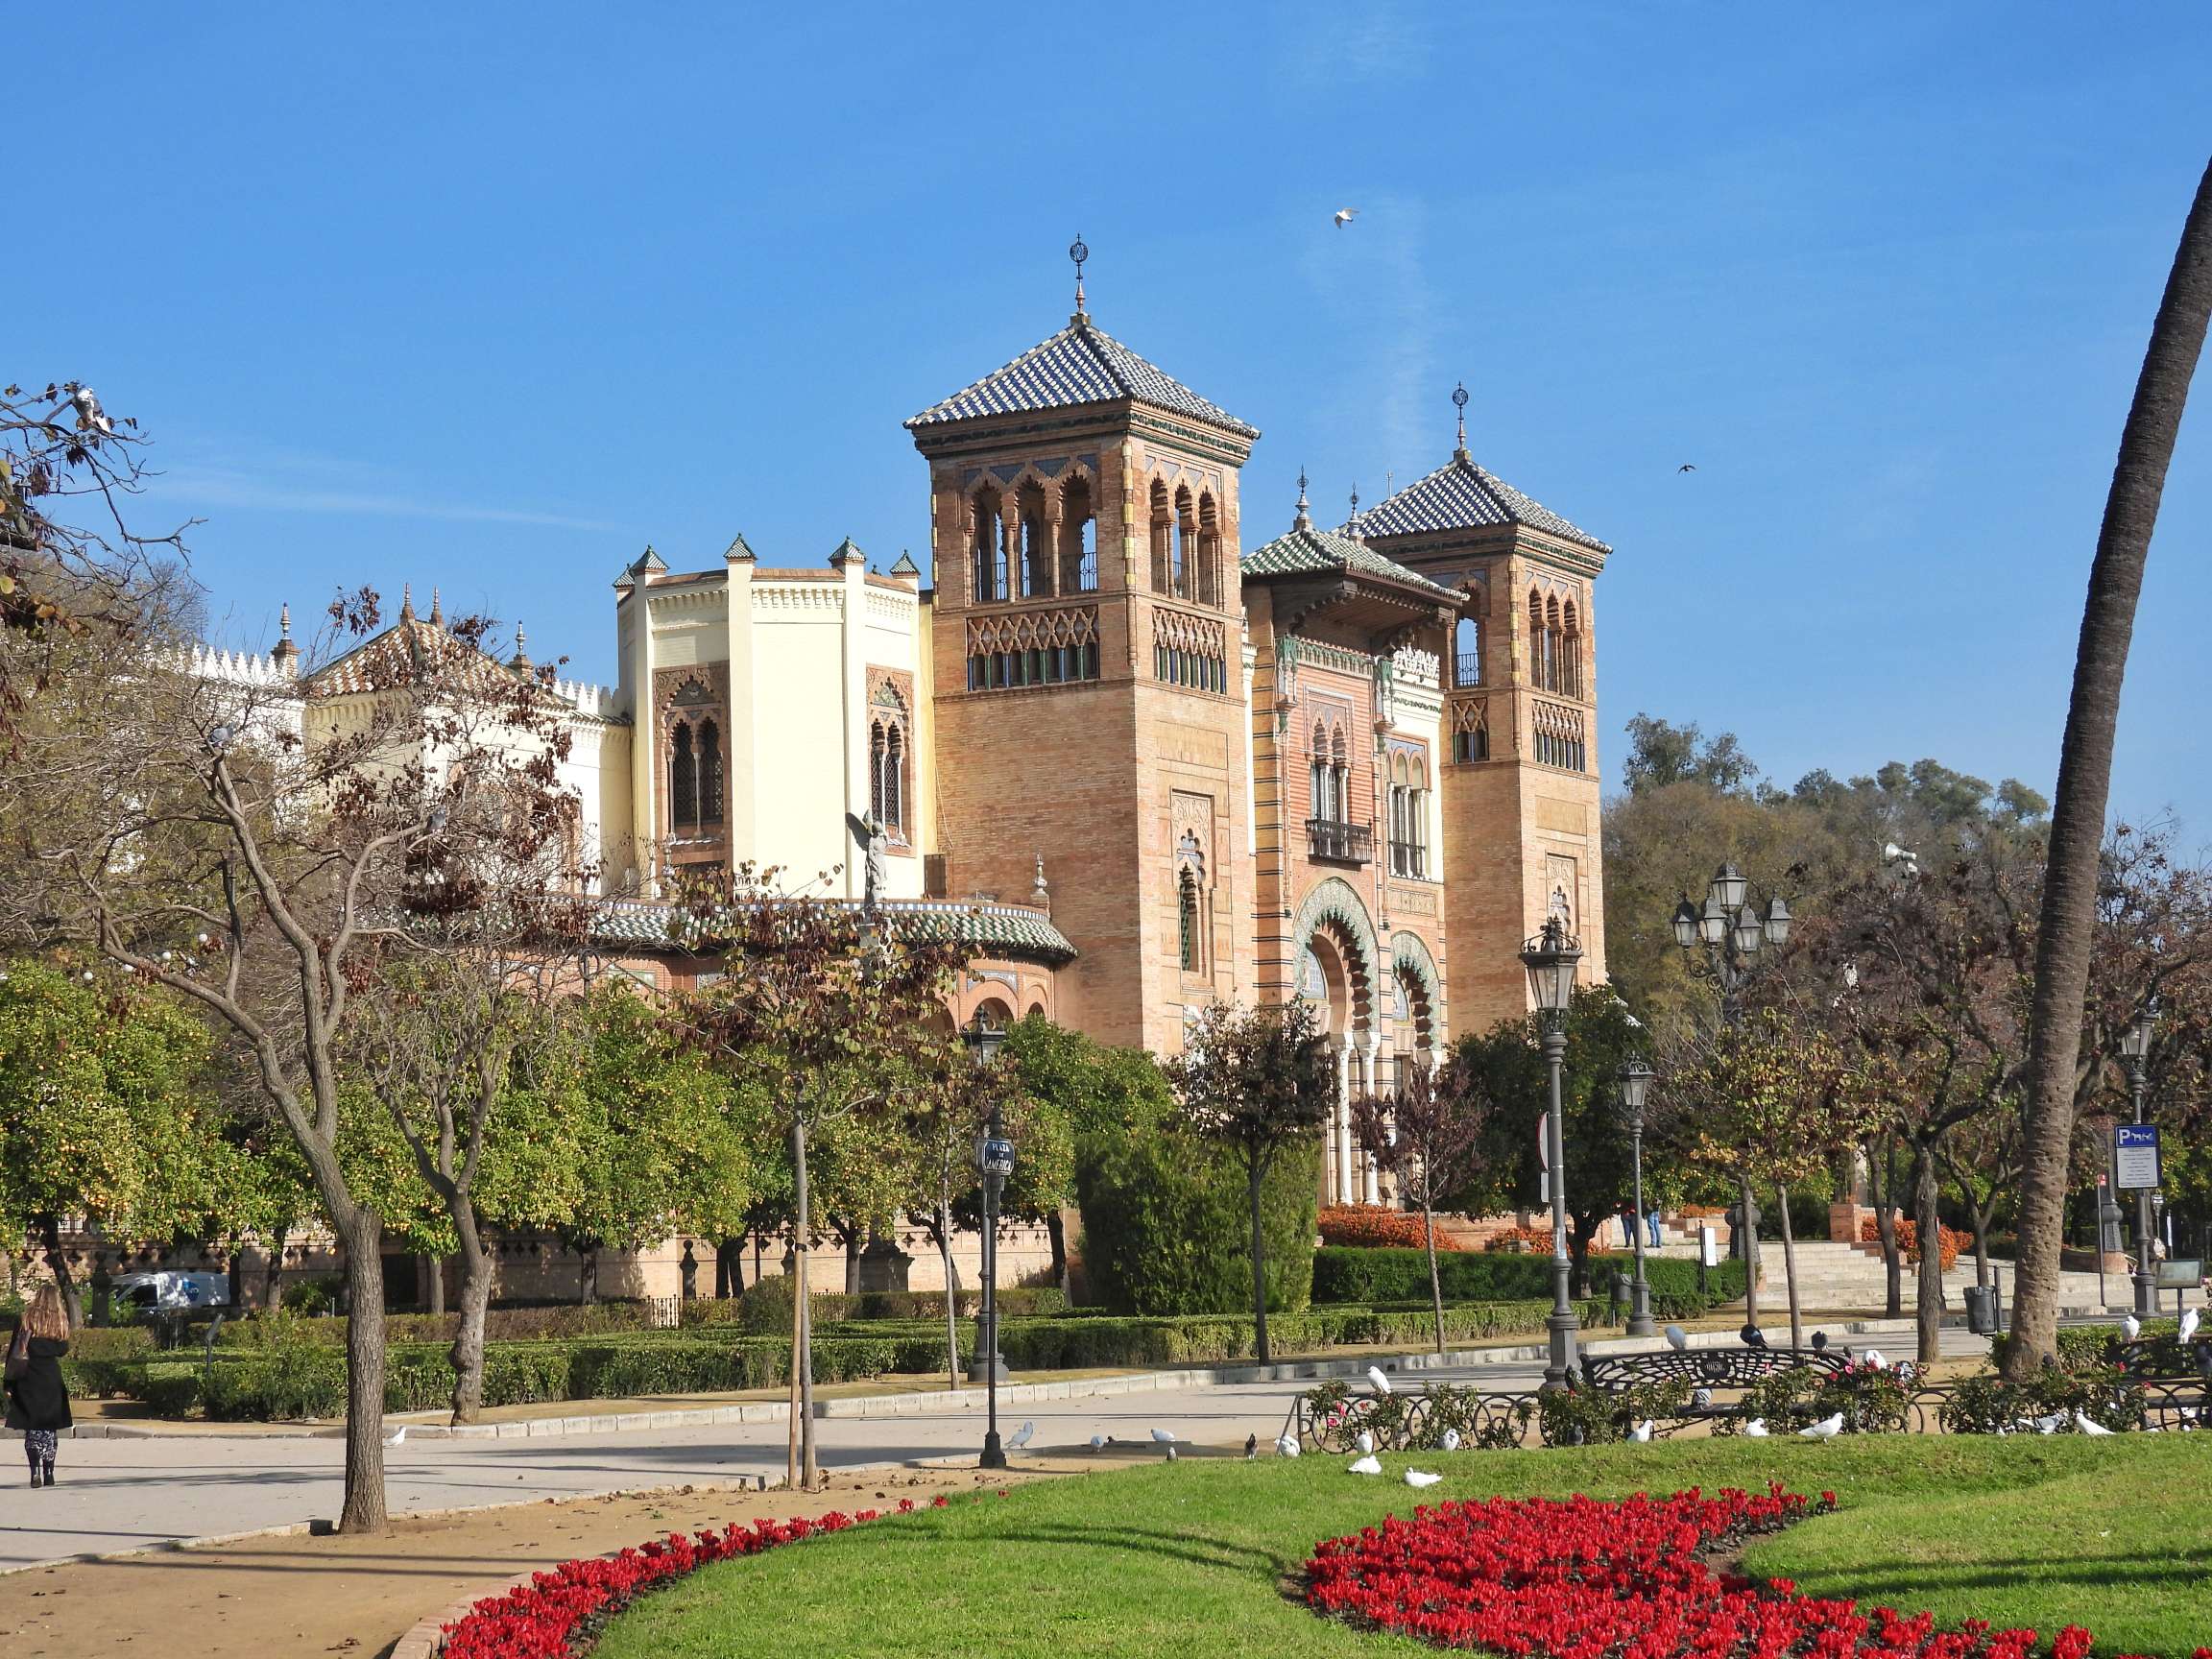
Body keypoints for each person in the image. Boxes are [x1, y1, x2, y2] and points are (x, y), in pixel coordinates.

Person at [5, 1286, 73, 1487]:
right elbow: (63, 1350)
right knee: (50, 1427)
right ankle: (49, 1471)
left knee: (32, 1427)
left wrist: (8, 1383)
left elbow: (14, 1351)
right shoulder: (60, 1319)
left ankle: (34, 1471)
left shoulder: (25, 1318)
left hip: (28, 1377)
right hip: (50, 1376)